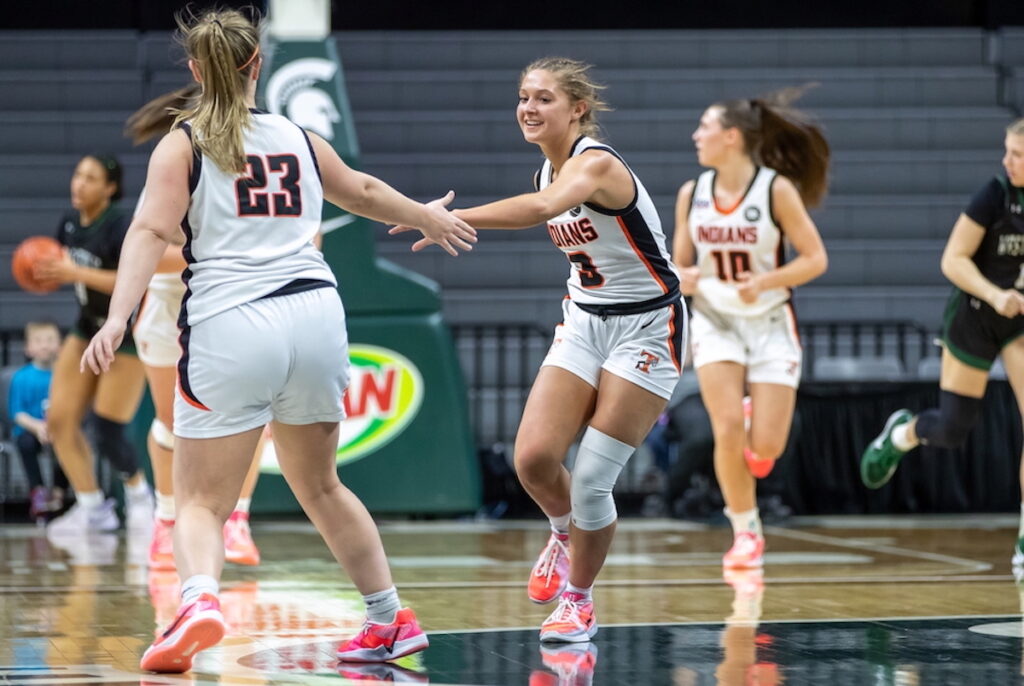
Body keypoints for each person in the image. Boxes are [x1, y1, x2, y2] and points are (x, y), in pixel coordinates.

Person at [80, 9, 475, 673]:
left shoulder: (182, 144)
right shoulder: (299, 135)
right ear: (257, 64)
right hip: (317, 319)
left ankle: (199, 600)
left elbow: (147, 234)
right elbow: (366, 192)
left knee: (201, 498)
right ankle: (390, 617)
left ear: (197, 70)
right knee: (322, 487)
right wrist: (427, 216)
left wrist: (117, 318)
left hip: (234, 323)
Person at [395, 57, 684, 643]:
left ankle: (579, 600)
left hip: (648, 327)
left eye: (544, 98)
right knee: (531, 460)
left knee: (593, 482)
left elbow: (543, 211)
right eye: (523, 97)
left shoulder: (595, 164)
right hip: (584, 321)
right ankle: (561, 532)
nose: (528, 107)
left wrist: (446, 217)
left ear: (577, 108)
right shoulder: (542, 171)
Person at [671, 89, 829, 569]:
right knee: (725, 431)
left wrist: (767, 279)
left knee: (766, 447)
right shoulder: (691, 193)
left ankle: (753, 427)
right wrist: (684, 277)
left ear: (731, 137)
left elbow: (815, 259)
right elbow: (677, 266)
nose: (696, 135)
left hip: (769, 323)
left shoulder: (774, 189)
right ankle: (745, 531)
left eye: (705, 126)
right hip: (716, 321)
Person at [861, 118, 1024, 565]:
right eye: (1007, 150)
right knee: (953, 429)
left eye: (1017, 154)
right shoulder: (995, 194)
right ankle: (903, 433)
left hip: (1020, 324)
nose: (1006, 160)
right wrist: (994, 294)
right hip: (976, 316)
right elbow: (952, 260)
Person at [126, 84, 262, 570]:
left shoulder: (264, 162)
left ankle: (237, 521)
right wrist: (215, 255)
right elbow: (151, 253)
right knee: (172, 423)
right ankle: (166, 521)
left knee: (254, 420)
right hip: (169, 308)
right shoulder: (174, 163)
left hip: (232, 306)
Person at [35, 153, 153, 536]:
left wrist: (74, 272)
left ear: (110, 188)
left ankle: (139, 499)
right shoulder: (69, 222)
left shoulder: (122, 224)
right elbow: (59, 269)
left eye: (90, 178)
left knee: (107, 427)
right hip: (87, 326)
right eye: (78, 175)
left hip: (128, 333)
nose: (79, 183)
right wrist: (40, 272)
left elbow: (133, 276)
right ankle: (92, 507)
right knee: (59, 421)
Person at [8, 321, 68, 519]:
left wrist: (54, 427)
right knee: (25, 443)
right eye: (38, 341)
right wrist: (38, 427)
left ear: (60, 345)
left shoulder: (65, 376)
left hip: (60, 429)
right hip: (31, 431)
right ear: (28, 348)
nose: (44, 345)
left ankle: (59, 493)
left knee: (68, 445)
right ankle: (38, 492)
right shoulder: (21, 377)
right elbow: (17, 413)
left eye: (50, 340)